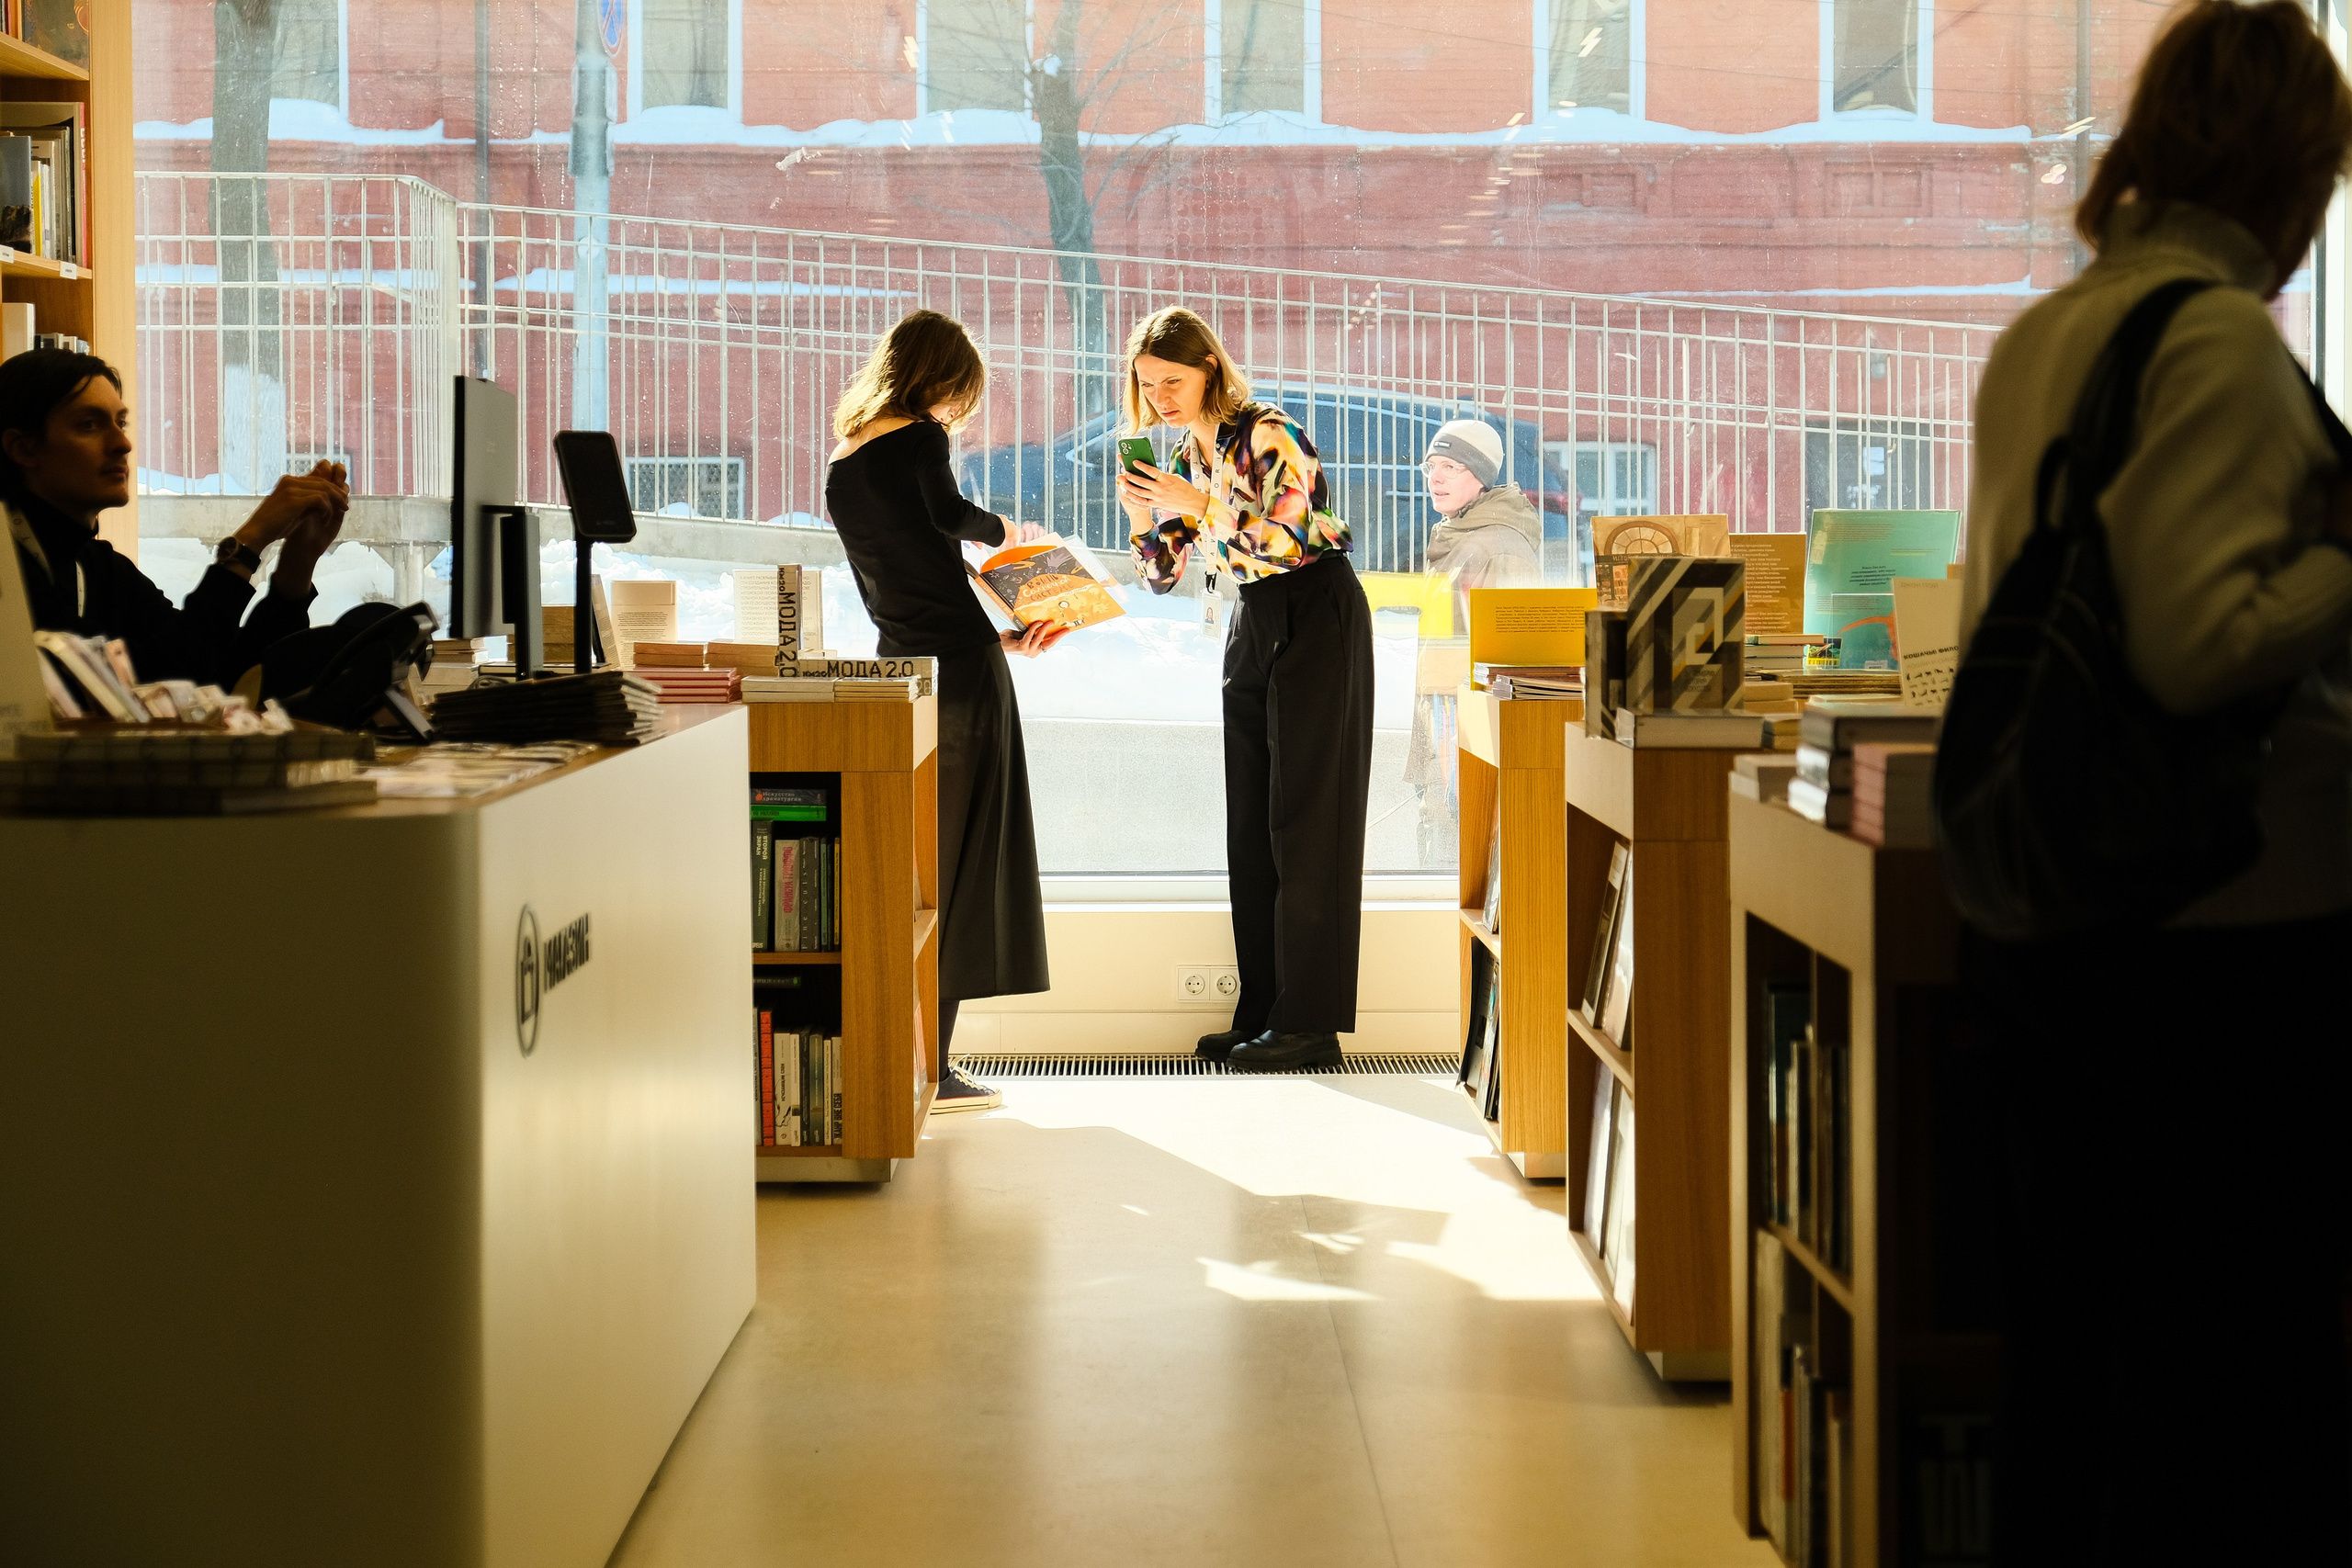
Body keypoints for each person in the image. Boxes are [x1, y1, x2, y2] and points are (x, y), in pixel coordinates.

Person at [1956, 6, 2352, 1561]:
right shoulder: (2217, 344)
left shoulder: (2052, 332)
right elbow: (2202, 651)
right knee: (2236, 1378)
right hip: (2222, 936)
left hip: (2047, 924)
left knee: (2071, 1353)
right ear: (2292, 170)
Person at [1118, 307, 1374, 1072]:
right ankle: (1264, 1008)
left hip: (1315, 609)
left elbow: (1295, 539)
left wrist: (1197, 506)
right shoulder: (1187, 456)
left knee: (1308, 822)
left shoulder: (1268, 432)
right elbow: (1162, 575)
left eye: (1174, 379)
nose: (1161, 396)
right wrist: (1143, 518)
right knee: (1254, 824)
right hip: (1253, 617)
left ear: (1209, 369)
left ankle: (1310, 1023)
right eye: (1146, 385)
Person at [825, 310, 1064, 1113]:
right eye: (959, 393)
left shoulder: (846, 462)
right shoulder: (920, 441)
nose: (957, 412)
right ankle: (939, 1061)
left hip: (908, 670)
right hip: (965, 675)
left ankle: (911, 1051)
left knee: (918, 863)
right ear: (940, 380)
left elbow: (913, 576)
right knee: (964, 861)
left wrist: (996, 618)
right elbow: (948, 515)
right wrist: (1013, 535)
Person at [4, 347, 351, 688]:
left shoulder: (103, 569)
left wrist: (297, 565)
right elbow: (167, 672)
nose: (123, 443)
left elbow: (224, 674)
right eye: (90, 425)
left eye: (121, 422)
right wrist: (249, 542)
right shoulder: (9, 569)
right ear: (25, 449)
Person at [1407, 420, 1542, 860]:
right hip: (1446, 730)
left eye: (1452, 466)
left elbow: (1511, 663)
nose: (1437, 478)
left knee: (1463, 862)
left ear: (1482, 476)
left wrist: (1464, 772)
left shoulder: (1499, 547)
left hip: (1471, 748)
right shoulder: (1457, 535)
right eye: (1431, 467)